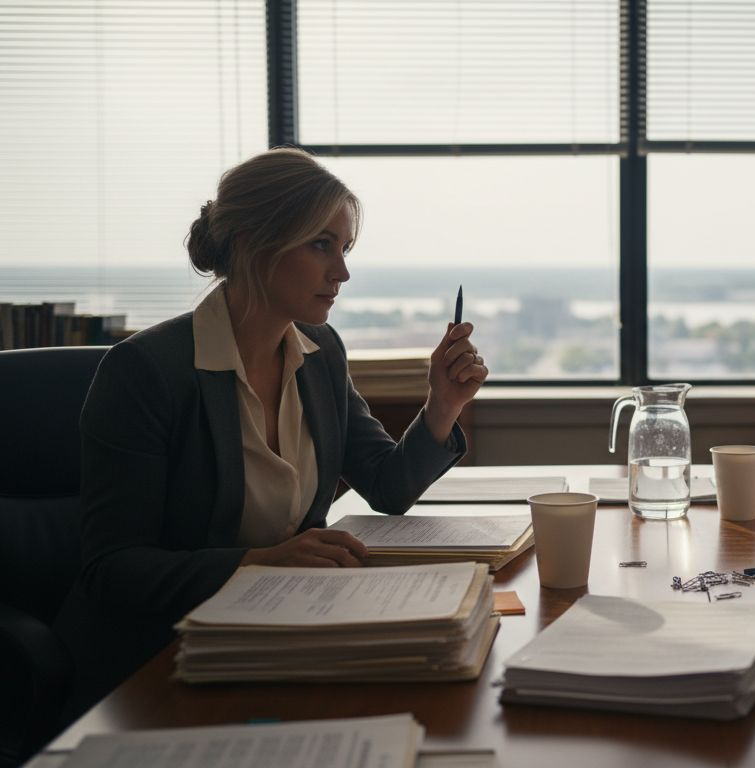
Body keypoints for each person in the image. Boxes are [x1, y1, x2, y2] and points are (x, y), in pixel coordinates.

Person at [54, 147, 488, 714]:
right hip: (159, 665)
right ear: (251, 244)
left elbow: (387, 485)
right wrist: (259, 562)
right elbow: (114, 572)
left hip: (282, 640)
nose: (343, 272)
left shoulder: (320, 352)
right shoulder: (144, 374)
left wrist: (442, 405)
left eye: (345, 247)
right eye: (321, 245)